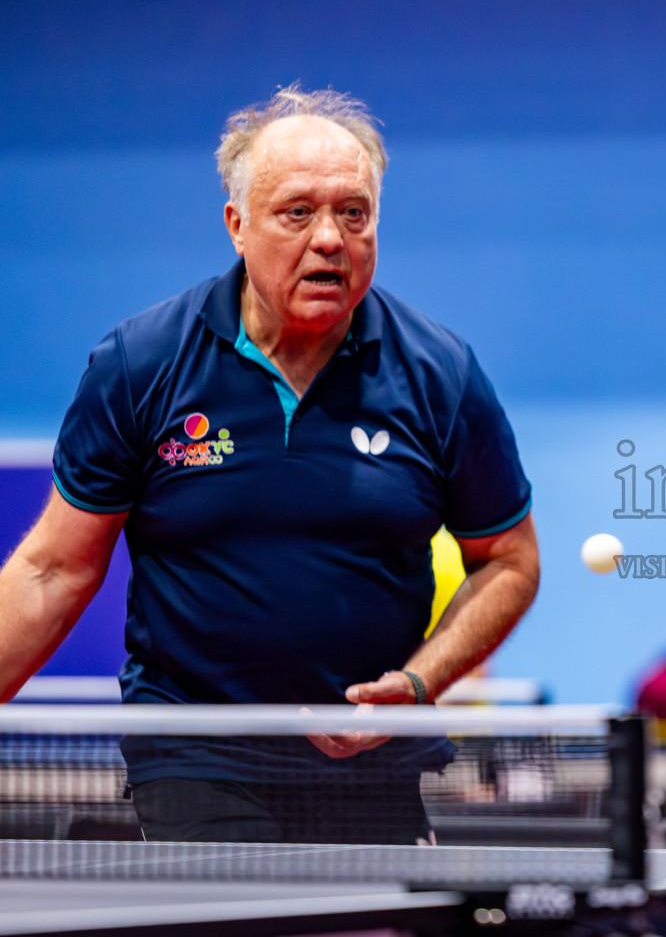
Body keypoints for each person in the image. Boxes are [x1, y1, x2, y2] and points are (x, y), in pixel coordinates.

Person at [0, 87, 540, 843]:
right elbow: (53, 570)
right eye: (298, 213)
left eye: (354, 213)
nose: (331, 239)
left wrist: (420, 684)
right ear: (237, 227)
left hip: (375, 763)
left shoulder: (439, 373)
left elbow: (509, 562)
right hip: (196, 755)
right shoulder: (142, 362)